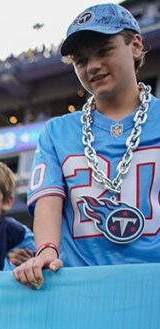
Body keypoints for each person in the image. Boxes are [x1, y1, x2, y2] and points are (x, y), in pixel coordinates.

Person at [14, 3, 160, 289]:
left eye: (104, 50)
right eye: (81, 60)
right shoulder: (58, 131)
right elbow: (49, 200)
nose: (92, 65)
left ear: (135, 45)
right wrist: (46, 250)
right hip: (78, 283)